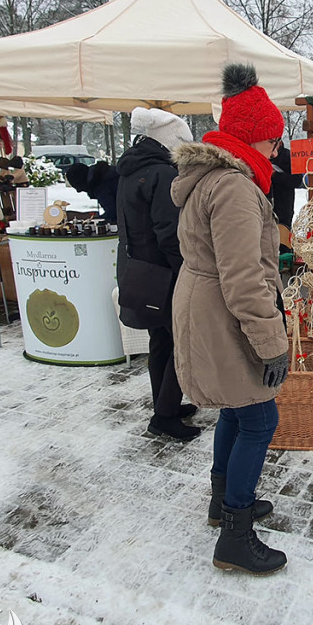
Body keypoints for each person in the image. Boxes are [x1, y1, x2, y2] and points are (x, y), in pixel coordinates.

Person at [170, 63, 290, 575]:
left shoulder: (215, 178)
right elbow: (244, 279)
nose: (276, 151)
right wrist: (272, 343)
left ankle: (224, 502)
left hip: (206, 305)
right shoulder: (236, 188)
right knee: (260, 416)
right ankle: (236, 536)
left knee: (237, 412)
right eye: (270, 140)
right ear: (249, 138)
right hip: (223, 313)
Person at [115, 107, 199, 442]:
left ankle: (165, 406)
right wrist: (186, 273)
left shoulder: (130, 170)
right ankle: (164, 415)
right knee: (181, 344)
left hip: (139, 271)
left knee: (161, 342)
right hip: (164, 275)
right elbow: (169, 233)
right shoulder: (162, 175)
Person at [269, 138, 302, 249]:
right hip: (267, 203)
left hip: (284, 204)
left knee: (283, 238)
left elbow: (297, 181)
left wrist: (276, 175)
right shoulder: (263, 154)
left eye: (274, 144)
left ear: (280, 143)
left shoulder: (289, 156)